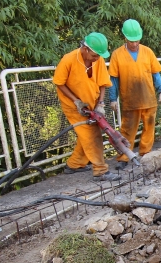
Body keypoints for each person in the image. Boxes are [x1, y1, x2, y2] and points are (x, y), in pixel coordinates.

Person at [53, 32, 121, 181]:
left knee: (87, 135)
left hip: (93, 102)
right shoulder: (69, 60)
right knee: (92, 136)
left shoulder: (99, 60)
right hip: (73, 106)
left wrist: (101, 103)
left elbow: (103, 83)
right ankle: (100, 171)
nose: (97, 58)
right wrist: (76, 101)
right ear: (85, 48)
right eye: (95, 55)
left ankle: (74, 164)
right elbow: (59, 82)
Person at [108, 19, 161, 170]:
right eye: (131, 40)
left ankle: (146, 153)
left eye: (137, 40)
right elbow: (113, 79)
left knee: (149, 128)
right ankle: (123, 156)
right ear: (125, 38)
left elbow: (156, 74)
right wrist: (112, 98)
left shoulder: (148, 52)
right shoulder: (117, 55)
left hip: (148, 97)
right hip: (130, 99)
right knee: (127, 130)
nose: (134, 44)